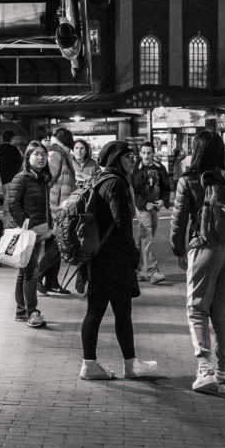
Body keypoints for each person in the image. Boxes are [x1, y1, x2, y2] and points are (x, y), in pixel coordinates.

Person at [170, 130, 225, 394]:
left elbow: (179, 220)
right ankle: (224, 376)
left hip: (204, 246)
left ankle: (204, 369)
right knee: (223, 314)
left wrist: (178, 250)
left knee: (198, 309)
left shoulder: (189, 179)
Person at [78, 140, 159, 381]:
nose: (132, 160)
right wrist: (133, 255)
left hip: (97, 257)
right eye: (128, 157)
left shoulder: (99, 179)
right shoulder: (116, 183)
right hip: (114, 259)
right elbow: (121, 223)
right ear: (115, 159)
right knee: (122, 313)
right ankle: (131, 364)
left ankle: (89, 364)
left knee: (95, 311)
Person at [8, 141, 53, 328]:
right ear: (28, 157)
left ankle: (21, 311)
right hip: (28, 232)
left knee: (24, 272)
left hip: (39, 230)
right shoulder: (22, 178)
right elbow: (13, 204)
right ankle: (32, 312)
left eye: (43, 154)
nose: (41, 157)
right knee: (31, 273)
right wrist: (24, 222)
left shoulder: (41, 178)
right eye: (36, 154)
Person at [41, 127, 77, 295]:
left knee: (57, 245)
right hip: (55, 208)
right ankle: (37, 276)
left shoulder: (61, 153)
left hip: (61, 208)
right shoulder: (55, 154)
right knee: (57, 245)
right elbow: (48, 179)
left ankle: (51, 282)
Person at [131, 141, 171, 285]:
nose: (146, 156)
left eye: (149, 153)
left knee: (142, 240)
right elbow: (134, 191)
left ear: (154, 153)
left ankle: (136, 269)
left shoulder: (160, 168)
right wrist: (143, 204)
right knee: (147, 238)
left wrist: (163, 201)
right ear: (140, 153)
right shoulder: (136, 168)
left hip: (155, 207)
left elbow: (166, 187)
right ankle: (152, 271)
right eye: (144, 153)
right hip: (142, 209)